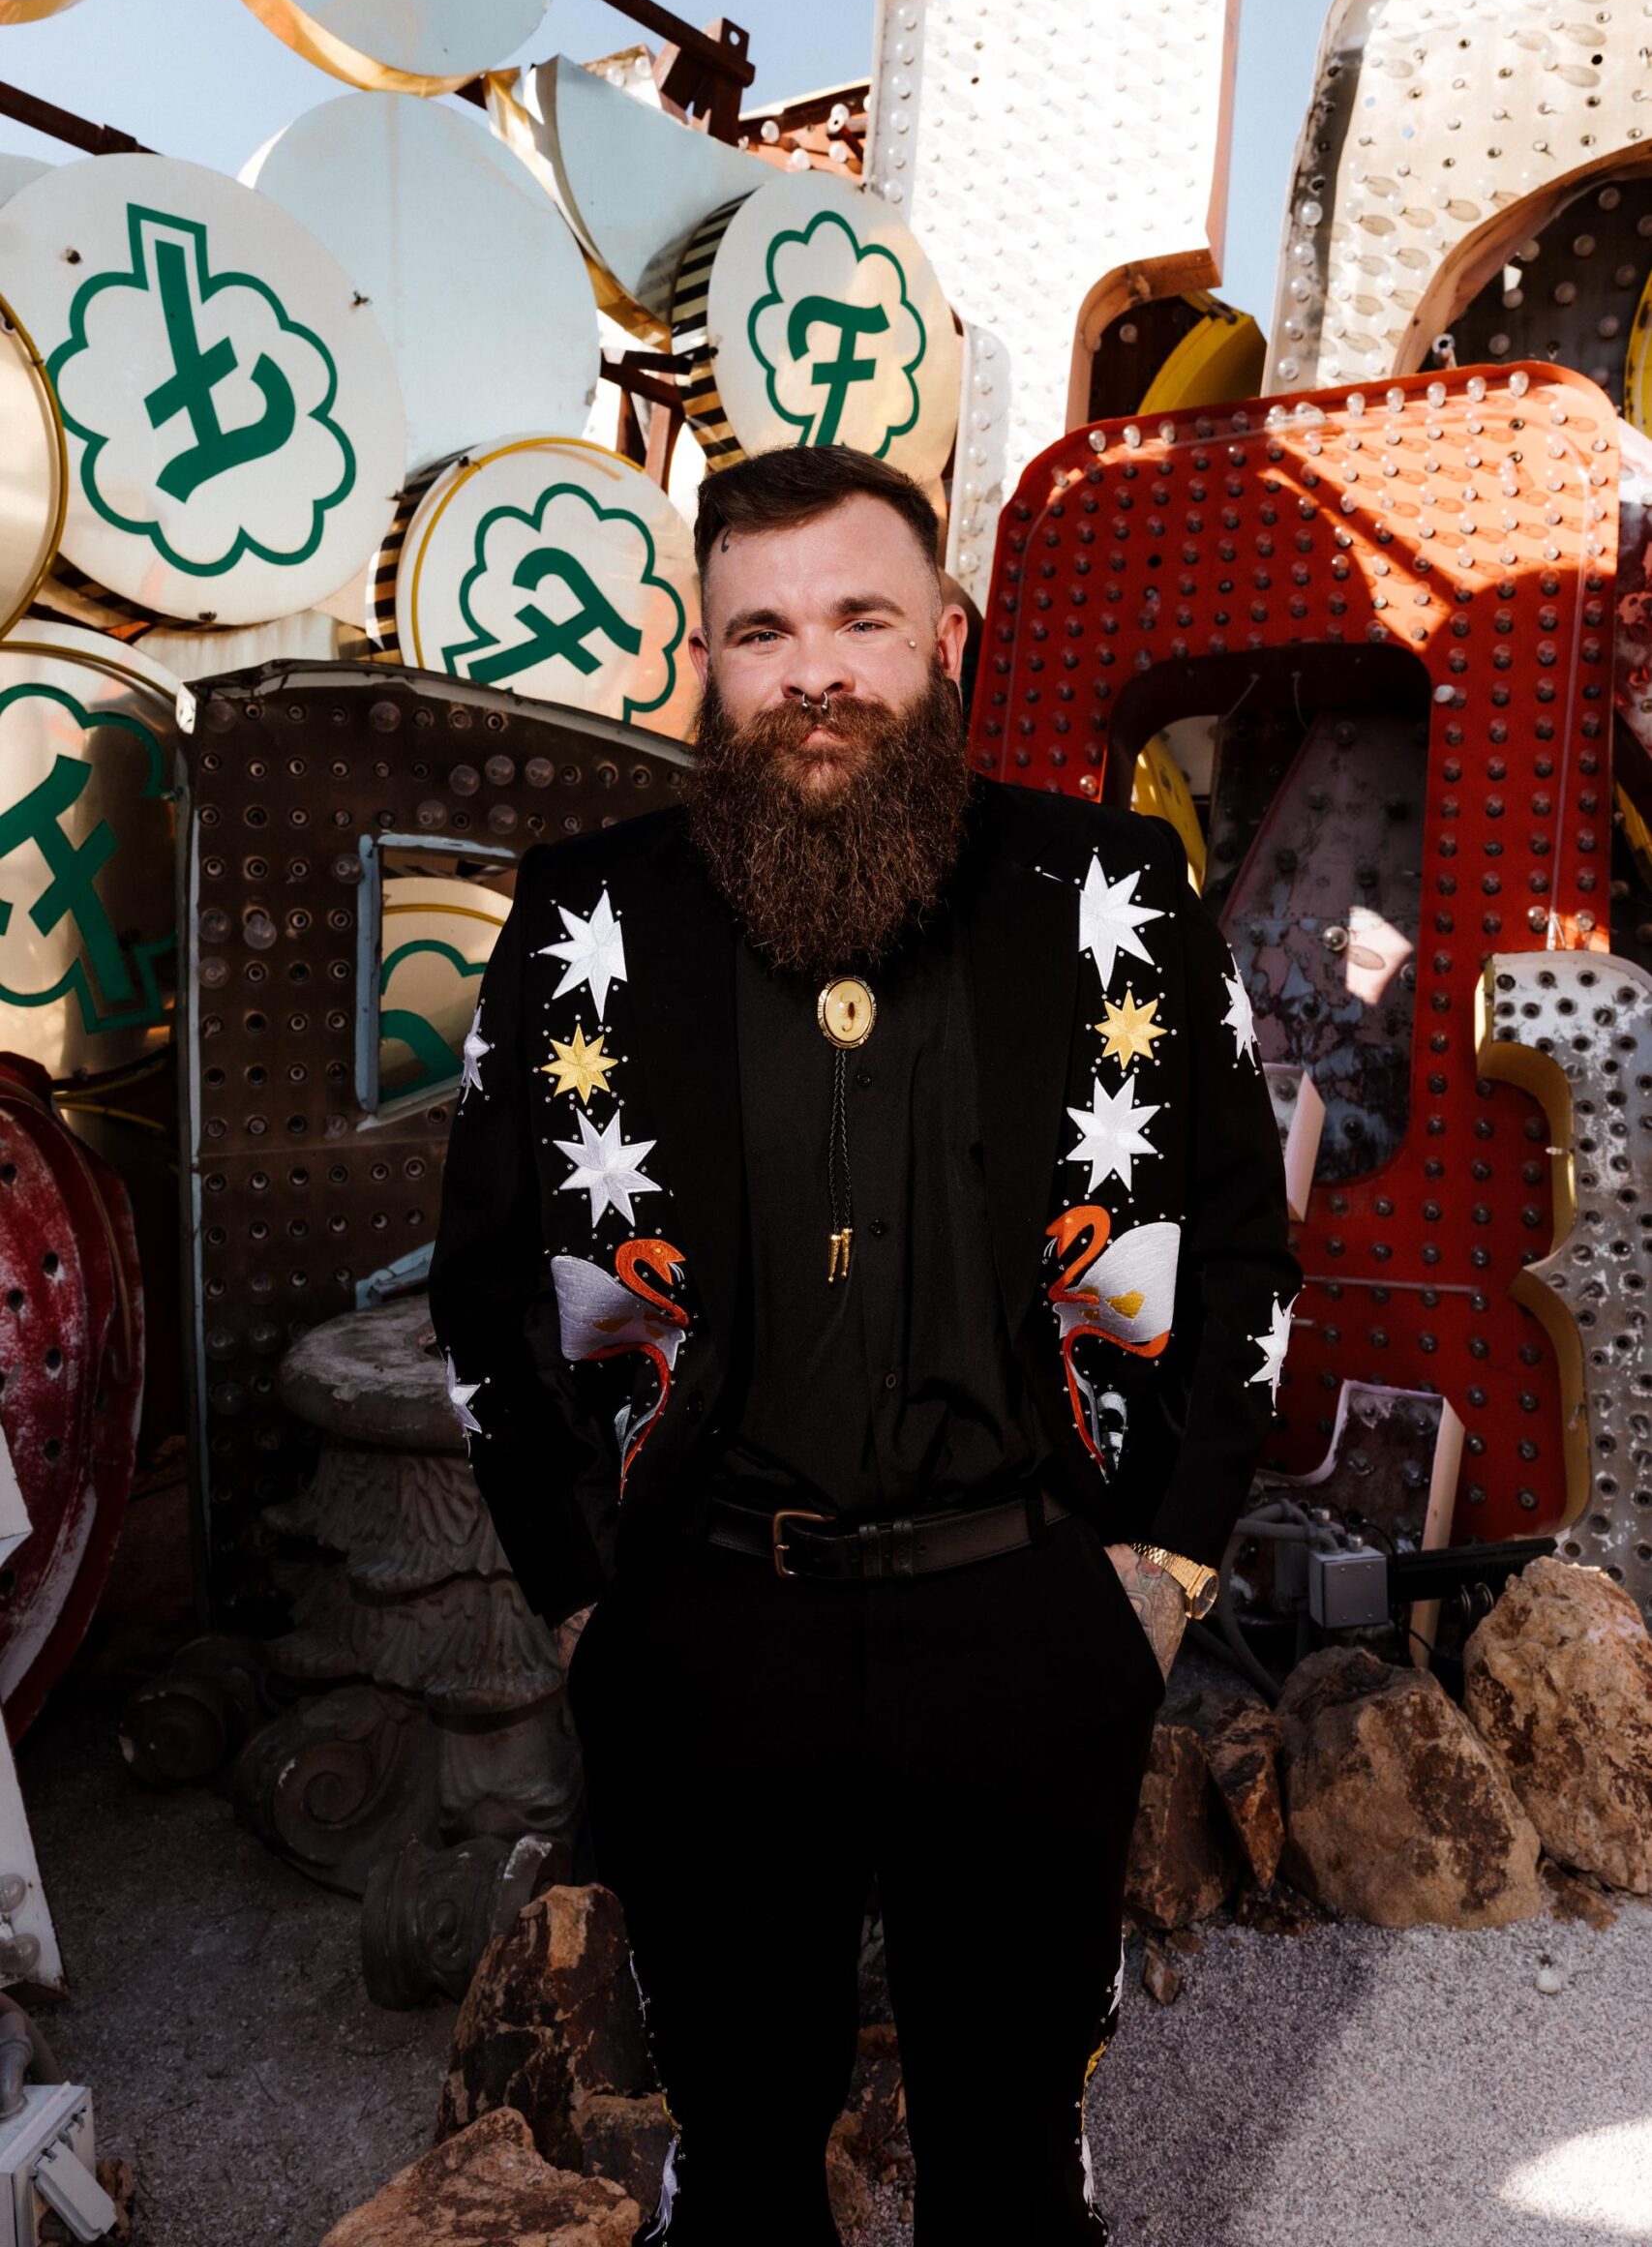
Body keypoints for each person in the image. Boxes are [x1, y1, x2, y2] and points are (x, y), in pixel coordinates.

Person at [427, 443, 1304, 2246]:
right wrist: (582, 1600)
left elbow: (1237, 1242)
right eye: (761, 632)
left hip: (1035, 1614)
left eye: (861, 619)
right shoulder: (587, 914)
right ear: (705, 659)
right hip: (710, 1628)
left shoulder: (1112, 889)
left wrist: (1162, 1570)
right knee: (747, 2164)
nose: (813, 672)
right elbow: (487, 1284)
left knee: (1012, 2164)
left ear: (947, 638)